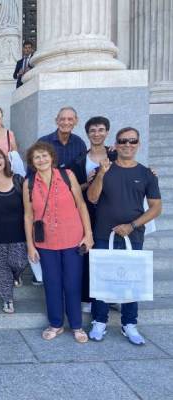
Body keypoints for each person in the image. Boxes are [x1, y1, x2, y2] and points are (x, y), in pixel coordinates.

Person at [87, 127, 162, 345]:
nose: (127, 144)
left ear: (138, 144)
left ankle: (129, 324)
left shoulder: (146, 174)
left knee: (132, 281)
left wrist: (132, 225)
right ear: (116, 144)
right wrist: (101, 173)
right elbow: (92, 198)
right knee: (101, 278)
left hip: (133, 234)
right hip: (103, 234)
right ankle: (99, 321)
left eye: (132, 141)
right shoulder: (104, 169)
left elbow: (156, 208)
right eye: (123, 141)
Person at [23, 141, 93, 343]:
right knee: (52, 284)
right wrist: (30, 244)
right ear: (32, 162)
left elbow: (81, 205)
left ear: (52, 157)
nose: (41, 159)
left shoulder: (67, 175)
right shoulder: (28, 183)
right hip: (46, 243)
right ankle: (56, 324)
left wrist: (88, 234)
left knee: (72, 284)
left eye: (44, 155)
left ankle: (77, 326)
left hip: (72, 239)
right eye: (37, 157)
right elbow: (28, 216)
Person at [71, 116, 117, 313]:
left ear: (107, 132)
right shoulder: (80, 159)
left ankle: (112, 296)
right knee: (89, 254)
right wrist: (89, 181)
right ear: (87, 134)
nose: (97, 134)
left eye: (100, 130)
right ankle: (88, 297)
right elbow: (73, 190)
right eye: (93, 131)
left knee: (111, 254)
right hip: (89, 212)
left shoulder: (116, 156)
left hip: (112, 211)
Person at [0, 148, 29, 313]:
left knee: (18, 262)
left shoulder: (18, 180)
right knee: (1, 268)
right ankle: (7, 299)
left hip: (18, 233)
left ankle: (16, 274)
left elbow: (29, 206)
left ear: (6, 161)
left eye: (0, 157)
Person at [38, 106, 87, 170]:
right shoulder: (43, 142)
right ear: (56, 121)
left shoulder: (80, 143)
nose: (66, 123)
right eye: (62, 119)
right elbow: (32, 170)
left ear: (76, 121)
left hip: (73, 180)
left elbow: (82, 169)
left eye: (70, 119)